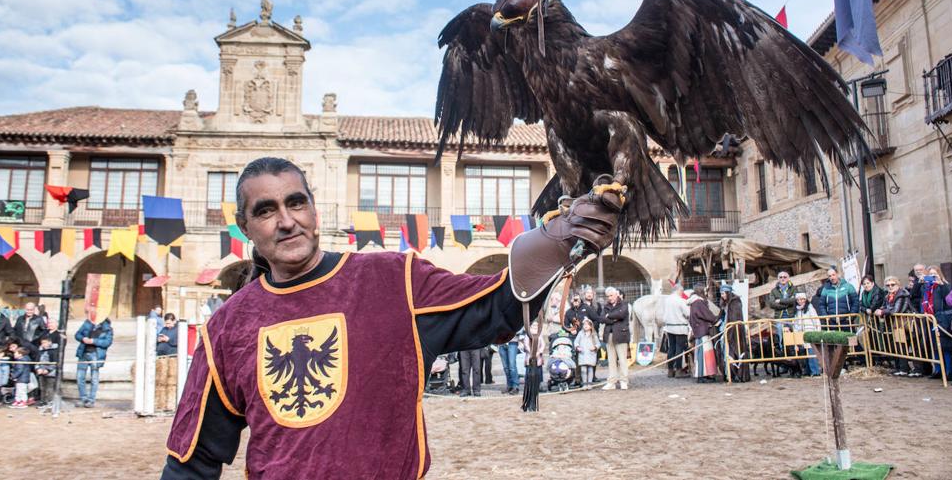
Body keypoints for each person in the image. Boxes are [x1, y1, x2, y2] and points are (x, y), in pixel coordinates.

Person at [162, 157, 620, 479]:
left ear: (315, 212)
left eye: (295, 203)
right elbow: (194, 458)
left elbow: (494, 307)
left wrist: (554, 244)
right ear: (245, 228)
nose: (286, 221)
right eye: (265, 211)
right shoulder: (229, 325)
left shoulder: (393, 279)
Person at [875, 276, 917, 377]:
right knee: (900, 346)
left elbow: (897, 310)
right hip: (897, 324)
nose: (890, 287)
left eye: (892, 284)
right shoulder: (888, 296)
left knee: (915, 347)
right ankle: (903, 368)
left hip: (908, 323)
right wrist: (881, 309)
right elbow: (885, 306)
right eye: (888, 285)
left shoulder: (902, 295)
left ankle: (918, 369)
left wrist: (882, 311)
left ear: (898, 285)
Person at [920, 266, 952, 381]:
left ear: (939, 274)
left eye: (934, 274)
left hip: (943, 320)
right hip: (930, 319)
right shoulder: (926, 288)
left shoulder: (944, 286)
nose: (932, 277)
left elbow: (949, 299)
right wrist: (919, 282)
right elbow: (915, 295)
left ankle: (949, 372)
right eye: (930, 275)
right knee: (934, 346)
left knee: (945, 346)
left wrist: (941, 283)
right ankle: (938, 370)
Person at [75, 316, 113, 408]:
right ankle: (83, 398)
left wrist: (93, 341)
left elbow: (107, 342)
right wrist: (82, 339)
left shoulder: (107, 328)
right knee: (80, 377)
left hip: (96, 354)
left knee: (94, 378)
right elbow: (77, 334)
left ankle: (91, 400)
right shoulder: (87, 323)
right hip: (84, 353)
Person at [813, 267, 859, 331]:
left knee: (850, 340)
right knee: (835, 340)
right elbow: (822, 304)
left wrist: (851, 316)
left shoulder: (848, 286)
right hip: (832, 322)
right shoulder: (826, 289)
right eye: (830, 276)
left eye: (833, 275)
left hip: (847, 321)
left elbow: (855, 302)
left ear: (837, 274)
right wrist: (826, 317)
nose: (832, 277)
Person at [719, 284, 749, 382]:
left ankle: (739, 375)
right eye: (721, 294)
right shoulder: (725, 303)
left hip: (736, 332)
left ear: (728, 293)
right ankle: (730, 375)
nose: (722, 296)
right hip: (728, 331)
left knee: (737, 352)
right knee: (728, 353)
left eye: (723, 293)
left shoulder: (735, 302)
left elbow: (735, 318)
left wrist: (729, 330)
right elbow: (721, 316)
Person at [601, 286, 630, 390]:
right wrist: (613, 318)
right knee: (611, 360)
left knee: (622, 359)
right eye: (608, 296)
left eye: (611, 295)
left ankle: (623, 381)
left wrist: (609, 316)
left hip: (621, 335)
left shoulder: (624, 304)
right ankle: (611, 382)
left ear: (616, 294)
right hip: (609, 335)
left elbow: (621, 314)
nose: (609, 298)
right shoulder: (606, 306)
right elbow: (603, 318)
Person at [687, 289, 718, 383]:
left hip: (700, 331)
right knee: (703, 354)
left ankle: (706, 374)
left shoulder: (695, 303)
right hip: (702, 331)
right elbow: (707, 314)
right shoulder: (698, 303)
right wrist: (716, 320)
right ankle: (701, 375)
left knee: (705, 354)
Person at [662, 283, 690, 378]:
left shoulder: (666, 300)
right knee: (679, 348)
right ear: (679, 291)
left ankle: (670, 370)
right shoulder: (681, 301)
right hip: (680, 327)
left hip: (669, 327)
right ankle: (678, 370)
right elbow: (688, 313)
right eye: (682, 291)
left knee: (671, 348)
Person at [792, 293, 820, 376]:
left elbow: (816, 320)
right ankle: (808, 371)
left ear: (805, 300)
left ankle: (815, 371)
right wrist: (796, 333)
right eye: (798, 300)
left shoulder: (810, 308)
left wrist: (817, 331)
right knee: (804, 353)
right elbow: (795, 323)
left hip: (810, 331)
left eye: (802, 299)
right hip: (801, 333)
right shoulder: (796, 311)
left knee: (811, 353)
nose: (800, 301)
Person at [767, 272, 797, 347]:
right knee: (780, 336)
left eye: (784, 277)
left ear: (788, 278)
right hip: (779, 318)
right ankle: (782, 351)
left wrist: (780, 301)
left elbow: (794, 300)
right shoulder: (774, 291)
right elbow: (771, 304)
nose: (782, 278)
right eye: (780, 277)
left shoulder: (793, 288)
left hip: (791, 316)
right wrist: (787, 304)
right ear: (778, 279)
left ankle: (795, 352)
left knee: (794, 336)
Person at [574, 318, 600, 386]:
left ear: (591, 326)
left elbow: (598, 344)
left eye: (587, 325)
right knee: (583, 369)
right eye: (584, 324)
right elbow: (576, 341)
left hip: (591, 354)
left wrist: (595, 347)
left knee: (590, 369)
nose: (585, 326)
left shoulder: (594, 334)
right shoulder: (580, 333)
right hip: (583, 354)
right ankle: (585, 383)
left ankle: (589, 383)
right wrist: (577, 347)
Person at [35, 334, 58, 407]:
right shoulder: (40, 351)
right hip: (41, 371)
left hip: (51, 373)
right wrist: (38, 369)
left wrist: (48, 370)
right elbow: (37, 361)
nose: (43, 344)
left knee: (49, 388)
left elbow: (54, 363)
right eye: (42, 343)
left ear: (49, 342)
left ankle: (50, 401)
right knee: (42, 388)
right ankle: (43, 401)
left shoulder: (53, 351)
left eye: (45, 342)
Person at [497, 331, 519, 395]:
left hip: (512, 342)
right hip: (501, 343)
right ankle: (509, 386)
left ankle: (515, 386)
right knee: (505, 367)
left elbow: (520, 327)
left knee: (512, 366)